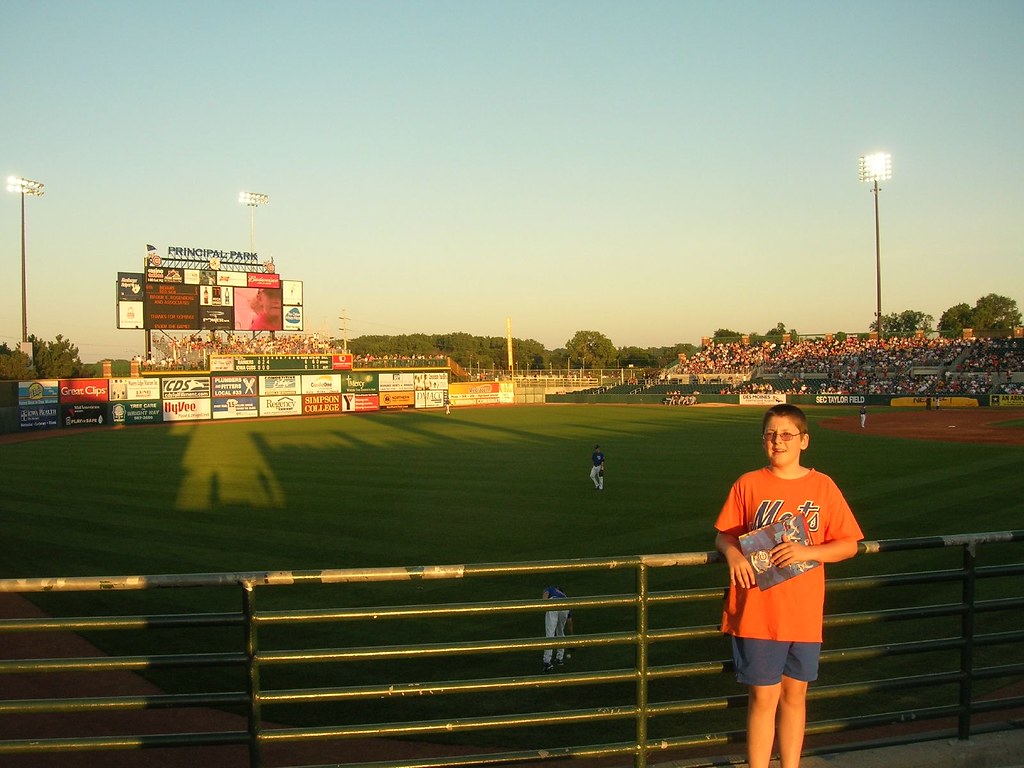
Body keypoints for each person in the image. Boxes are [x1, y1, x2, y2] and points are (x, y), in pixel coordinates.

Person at [713, 404, 863, 768]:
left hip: (803, 612)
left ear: (804, 441)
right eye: (770, 435)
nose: (777, 442)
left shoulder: (823, 486)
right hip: (759, 612)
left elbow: (849, 544)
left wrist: (807, 551)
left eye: (786, 435)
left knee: (796, 696)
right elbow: (724, 535)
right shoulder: (748, 483)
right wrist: (732, 555)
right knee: (763, 699)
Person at [542, 585, 570, 673]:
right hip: (565, 606)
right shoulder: (565, 596)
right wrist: (572, 633)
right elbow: (570, 620)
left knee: (550, 633)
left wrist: (545, 605)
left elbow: (545, 596)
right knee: (561, 632)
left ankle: (547, 662)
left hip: (554, 602)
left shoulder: (551, 589)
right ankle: (559, 659)